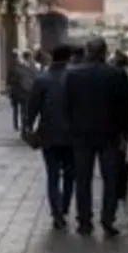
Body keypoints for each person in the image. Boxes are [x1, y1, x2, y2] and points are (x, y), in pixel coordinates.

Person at [64, 36, 128, 237]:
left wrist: (70, 128)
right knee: (110, 179)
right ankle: (108, 219)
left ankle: (85, 221)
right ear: (104, 52)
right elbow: (126, 106)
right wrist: (126, 132)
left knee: (82, 179)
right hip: (110, 135)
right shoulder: (117, 74)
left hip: (81, 135)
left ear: (87, 51)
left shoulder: (73, 75)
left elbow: (66, 105)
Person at [23, 43, 77, 231]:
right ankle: (64, 206)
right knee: (70, 175)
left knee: (52, 175)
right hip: (72, 136)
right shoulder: (74, 78)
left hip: (49, 134)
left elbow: (32, 107)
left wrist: (28, 127)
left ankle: (57, 213)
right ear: (69, 58)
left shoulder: (42, 79)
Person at [7, 51, 38, 132]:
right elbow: (33, 78)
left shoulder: (14, 68)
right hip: (24, 92)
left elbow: (9, 81)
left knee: (16, 110)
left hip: (16, 92)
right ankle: (23, 126)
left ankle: (17, 125)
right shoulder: (31, 67)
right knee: (23, 110)